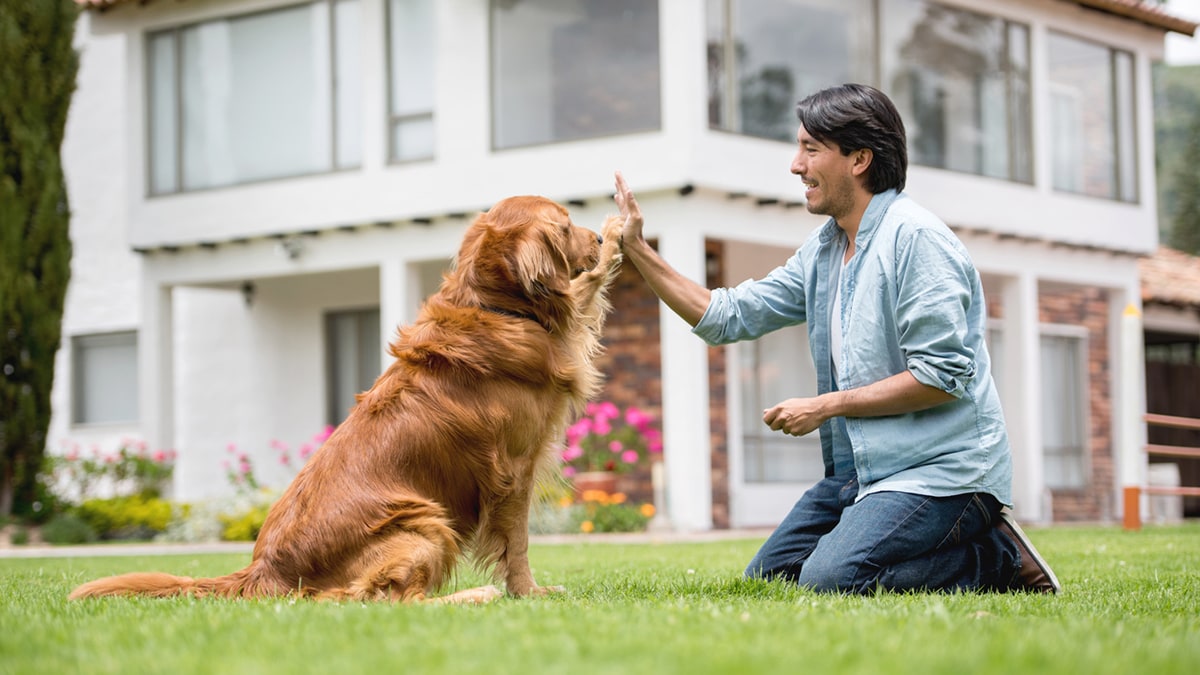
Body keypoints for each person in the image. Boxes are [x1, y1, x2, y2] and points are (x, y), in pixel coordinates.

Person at [612, 83, 1060, 594]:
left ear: (859, 159)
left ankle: (995, 558)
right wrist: (639, 252)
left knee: (831, 580)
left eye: (810, 148)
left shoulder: (917, 241)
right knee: (771, 580)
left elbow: (941, 378)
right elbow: (728, 316)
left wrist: (826, 406)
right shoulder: (825, 251)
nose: (795, 165)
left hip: (943, 474)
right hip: (861, 474)